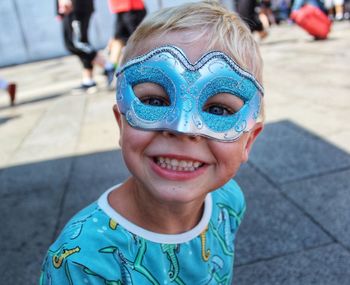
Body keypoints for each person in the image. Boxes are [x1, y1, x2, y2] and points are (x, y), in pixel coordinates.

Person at [40, 1, 264, 284]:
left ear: (248, 141)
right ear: (121, 123)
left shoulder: (229, 201)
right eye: (154, 101)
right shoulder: (80, 263)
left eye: (218, 110)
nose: (182, 128)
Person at [57, 0, 115, 92]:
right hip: (73, 7)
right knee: (81, 43)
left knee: (77, 44)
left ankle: (108, 66)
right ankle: (88, 80)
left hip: (76, 6)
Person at [107, 0, 147, 68]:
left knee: (137, 40)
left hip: (132, 7)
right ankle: (111, 67)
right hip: (120, 7)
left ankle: (143, 65)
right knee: (118, 38)